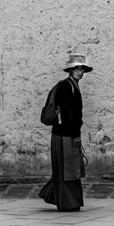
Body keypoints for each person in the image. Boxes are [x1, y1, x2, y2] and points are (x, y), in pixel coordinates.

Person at [39, 52, 91, 211]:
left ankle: (65, 200)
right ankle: (68, 203)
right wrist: (76, 135)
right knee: (67, 171)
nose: (79, 72)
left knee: (68, 170)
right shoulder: (66, 87)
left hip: (64, 134)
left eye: (82, 69)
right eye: (76, 69)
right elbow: (68, 114)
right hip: (64, 135)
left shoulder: (72, 86)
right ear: (70, 70)